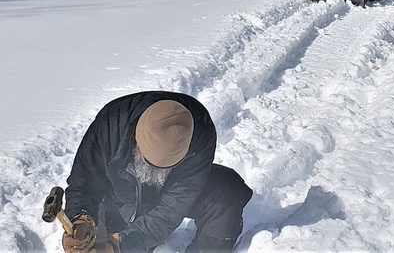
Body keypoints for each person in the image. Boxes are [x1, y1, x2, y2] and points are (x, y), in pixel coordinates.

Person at [62, 91, 252, 253]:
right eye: (151, 164)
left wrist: (121, 243)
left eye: (168, 167)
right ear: (137, 144)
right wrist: (82, 218)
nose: (159, 172)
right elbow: (83, 185)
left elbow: (176, 203)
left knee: (227, 191)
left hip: (170, 191)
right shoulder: (109, 126)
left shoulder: (200, 129)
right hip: (119, 195)